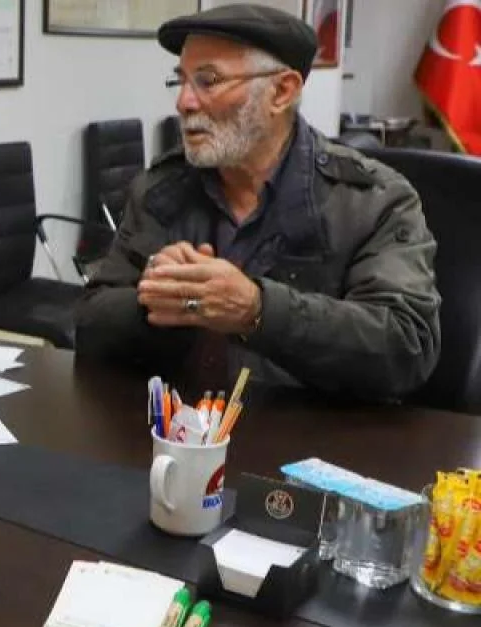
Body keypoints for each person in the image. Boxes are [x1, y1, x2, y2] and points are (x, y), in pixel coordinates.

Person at [75, 4, 441, 399]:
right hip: (182, 427)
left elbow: (407, 347)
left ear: (281, 92)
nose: (184, 102)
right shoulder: (162, 190)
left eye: (208, 81)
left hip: (315, 430)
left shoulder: (372, 200)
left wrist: (257, 311)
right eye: (180, 81)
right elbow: (91, 324)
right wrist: (158, 298)